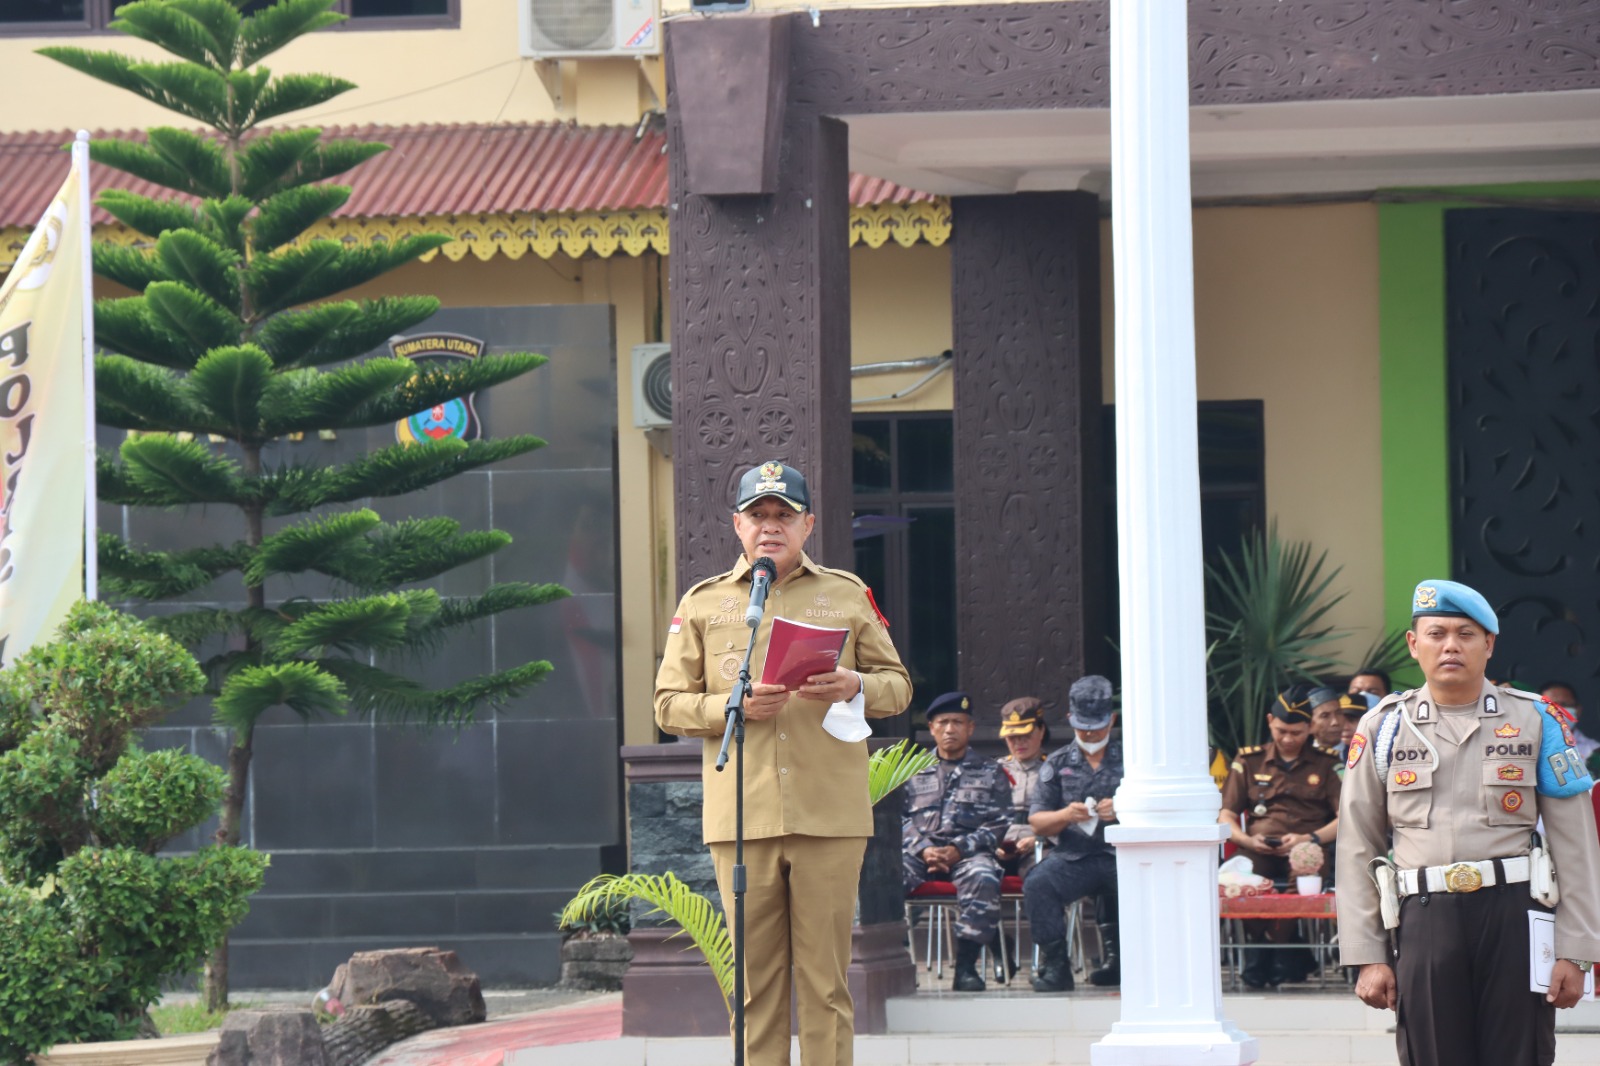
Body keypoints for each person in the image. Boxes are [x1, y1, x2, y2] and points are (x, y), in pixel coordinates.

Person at [655, 459, 912, 1066]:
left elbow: (898, 687)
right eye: (758, 515)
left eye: (784, 515)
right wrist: (730, 704)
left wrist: (854, 684)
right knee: (754, 991)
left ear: (808, 525)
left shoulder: (846, 595)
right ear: (736, 525)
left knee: (826, 987)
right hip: (743, 820)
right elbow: (668, 705)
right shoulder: (704, 603)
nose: (770, 526)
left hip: (830, 816)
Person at [1338, 580, 1600, 1066]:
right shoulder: (1383, 727)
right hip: (1424, 917)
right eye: (1436, 633)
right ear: (1414, 645)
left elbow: (1576, 846)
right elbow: (1357, 844)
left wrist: (1578, 950)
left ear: (1490, 645)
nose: (1451, 645)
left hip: (1515, 916)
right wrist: (1368, 954)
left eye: (1466, 634)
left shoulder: (1537, 722)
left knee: (1521, 1054)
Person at [1219, 682, 1341, 988]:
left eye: (1297, 733)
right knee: (1237, 876)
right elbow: (1227, 815)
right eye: (1281, 731)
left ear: (1310, 727)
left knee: (1305, 864)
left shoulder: (1327, 764)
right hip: (1257, 847)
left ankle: (1273, 951)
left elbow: (1346, 818)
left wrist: (1309, 839)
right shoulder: (1249, 760)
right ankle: (1271, 950)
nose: (1288, 739)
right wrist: (1247, 841)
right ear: (1270, 722)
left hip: (1306, 846)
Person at [902, 691, 1012, 992]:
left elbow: (1001, 822)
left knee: (983, 876)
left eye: (957, 722)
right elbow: (896, 819)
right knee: (884, 881)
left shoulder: (991, 771)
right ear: (932, 728)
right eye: (944, 722)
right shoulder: (911, 770)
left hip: (968, 853)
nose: (950, 729)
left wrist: (959, 849)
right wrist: (923, 848)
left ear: (970, 728)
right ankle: (895, 963)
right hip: (919, 853)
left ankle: (966, 968)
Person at [1024, 675, 1124, 991]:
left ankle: (1122, 962)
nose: (1091, 733)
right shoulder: (1056, 762)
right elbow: (1037, 821)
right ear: (1070, 720)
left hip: (1122, 856)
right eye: (1083, 727)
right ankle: (1057, 967)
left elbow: (1160, 809)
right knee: (1038, 883)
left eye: (1097, 726)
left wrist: (1123, 810)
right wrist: (1066, 815)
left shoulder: (1134, 760)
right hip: (1074, 857)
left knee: (1151, 884)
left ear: (1112, 719)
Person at [996, 696, 1050, 878]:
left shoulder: (1055, 770)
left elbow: (1068, 818)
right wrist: (992, 843)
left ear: (1041, 731)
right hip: (997, 848)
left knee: (1043, 873)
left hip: (1039, 846)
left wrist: (1039, 839)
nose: (1019, 743)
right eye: (1012, 737)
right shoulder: (993, 771)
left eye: (1025, 736)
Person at [1539, 680, 1599, 762]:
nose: (1558, 711)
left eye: (1564, 705)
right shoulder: (1523, 746)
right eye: (1552, 705)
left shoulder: (1595, 750)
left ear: (1578, 710)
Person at [1308, 684, 1344, 754]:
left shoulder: (1359, 754)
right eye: (1325, 716)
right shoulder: (1301, 757)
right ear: (1309, 725)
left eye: (1338, 713)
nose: (1335, 722)